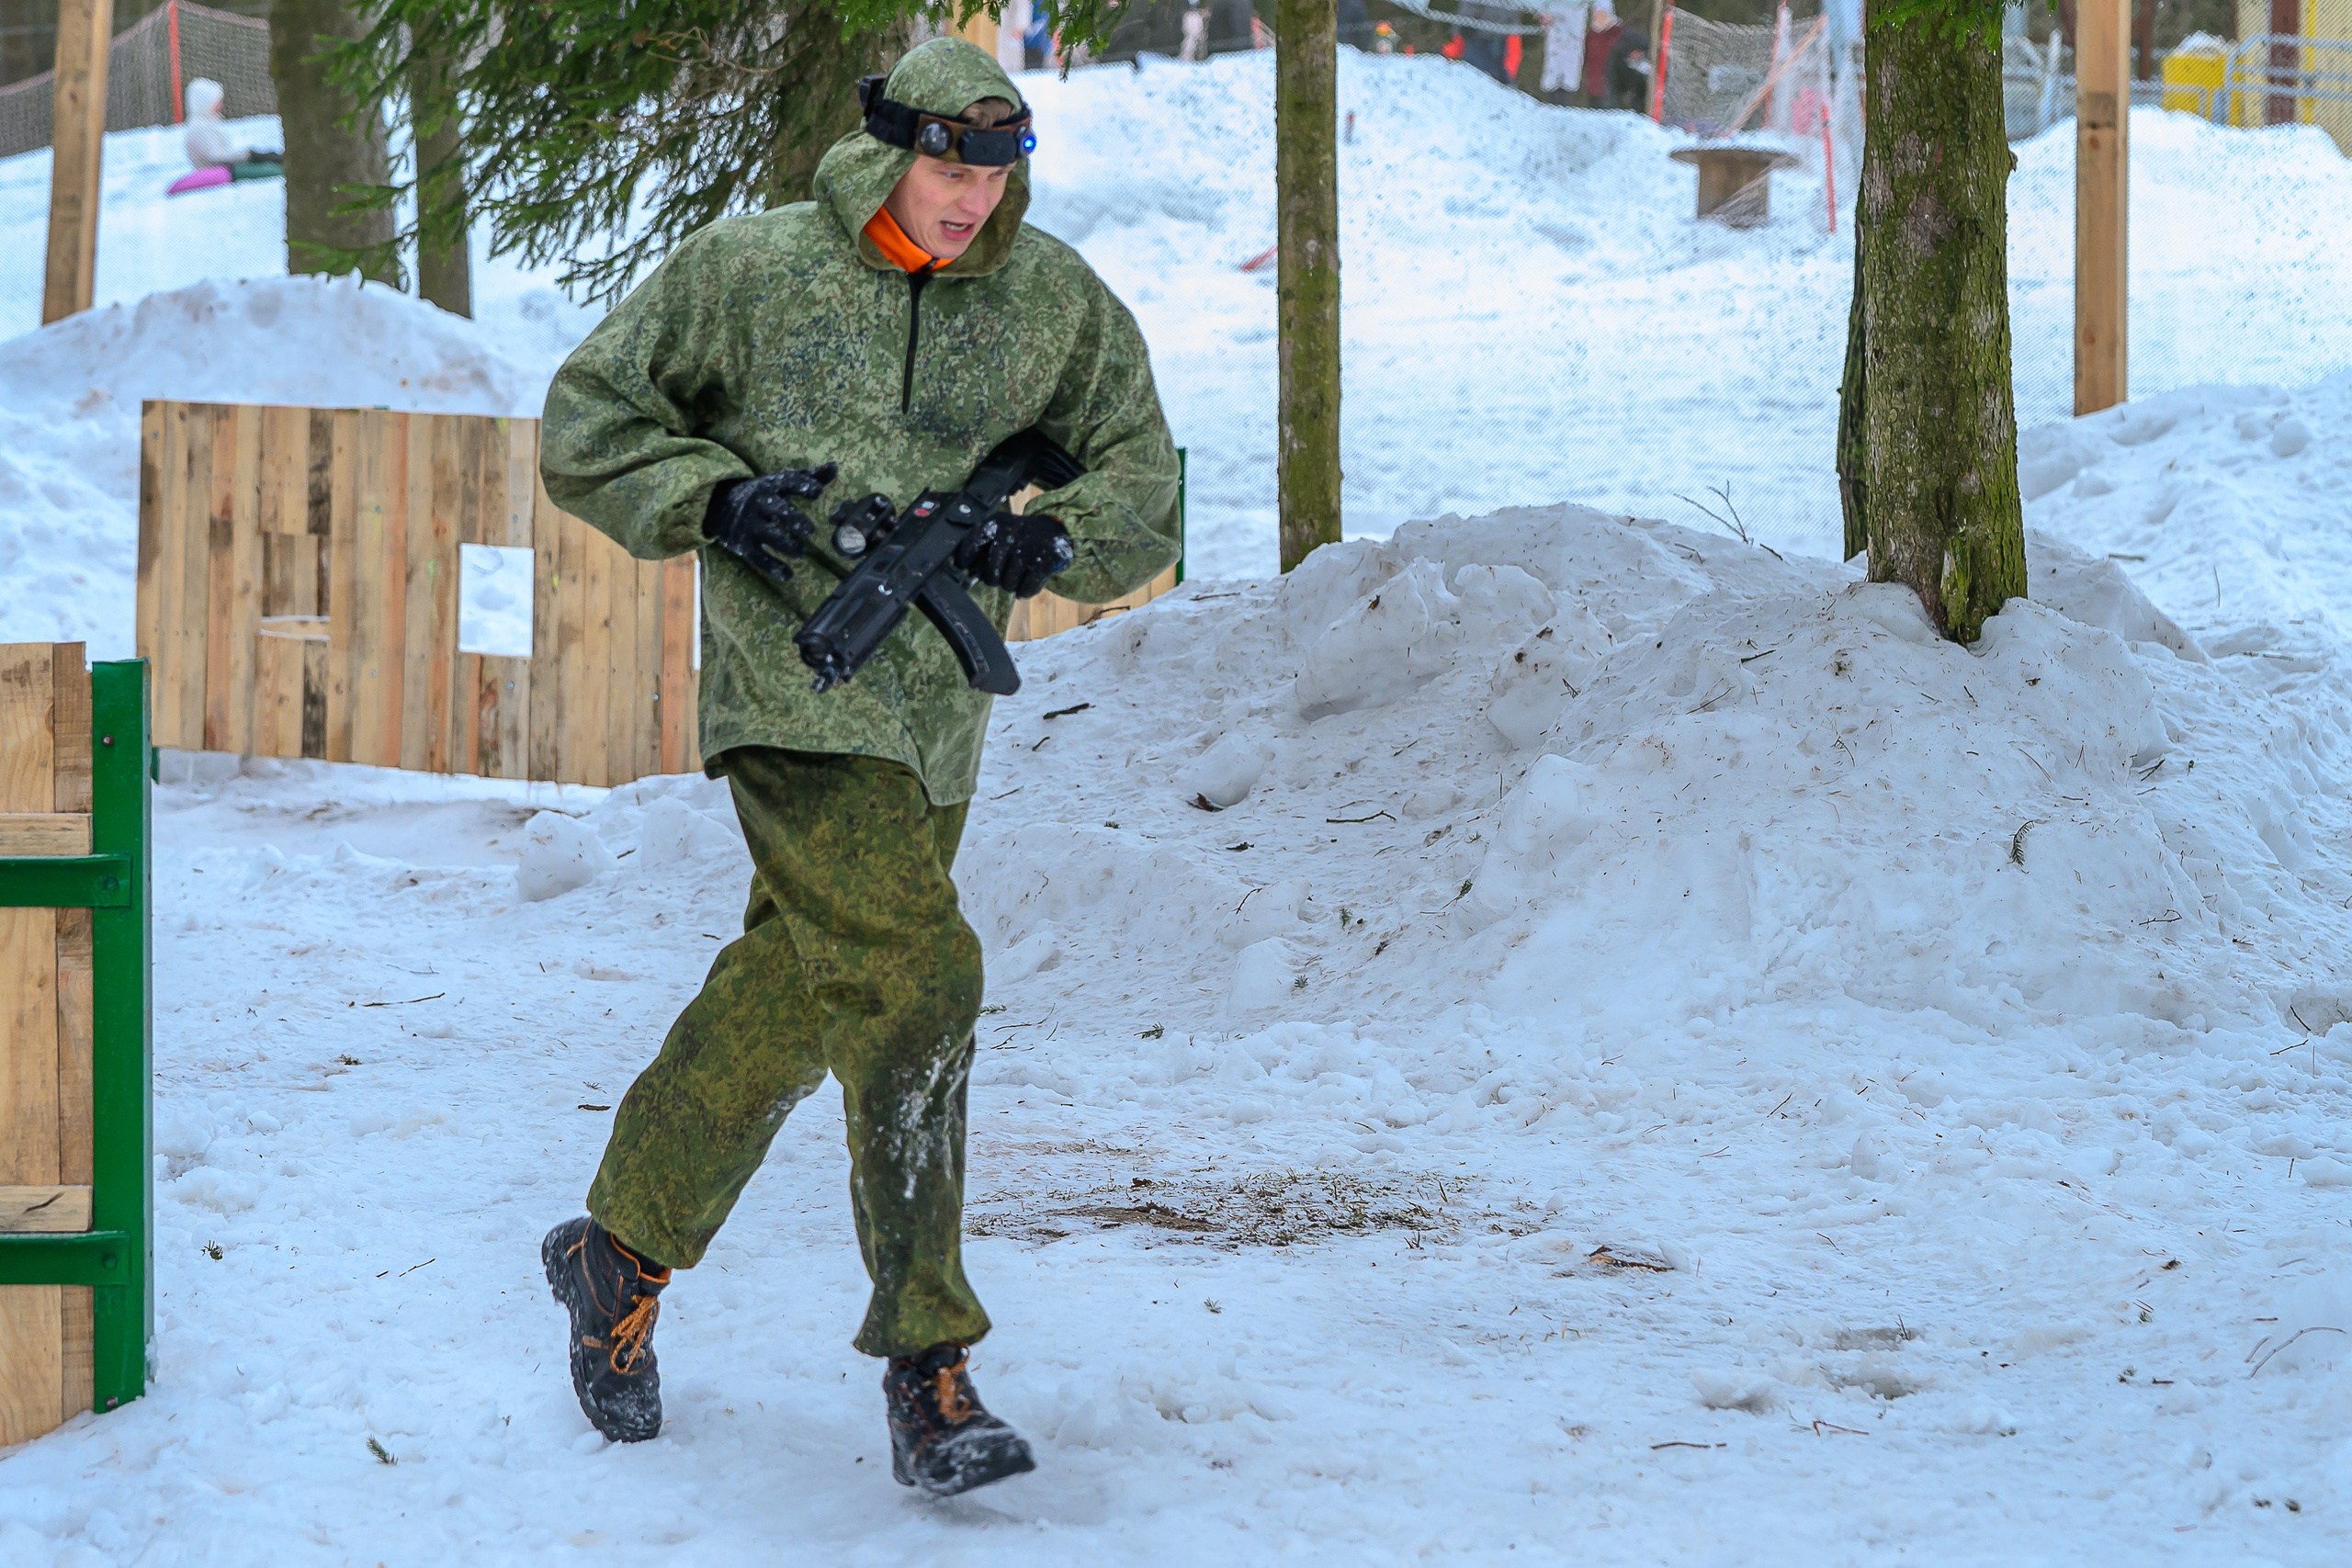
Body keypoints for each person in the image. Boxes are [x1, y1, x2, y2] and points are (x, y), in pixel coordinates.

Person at [535, 38, 1180, 1498]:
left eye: (996, 174)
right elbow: (588, 421)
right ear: (891, 150)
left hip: (938, 718)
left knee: (806, 984)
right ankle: (928, 1364)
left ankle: (617, 1248)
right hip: (792, 689)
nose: (971, 199)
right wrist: (715, 497)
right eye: (948, 168)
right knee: (918, 978)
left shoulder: (1052, 302)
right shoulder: (752, 271)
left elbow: (1142, 474)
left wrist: (1049, 537)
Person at [182, 79, 281, 179]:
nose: (220, 106)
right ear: (204, 103)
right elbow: (217, 156)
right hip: (221, 173)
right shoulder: (200, 128)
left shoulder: (205, 124)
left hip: (223, 171)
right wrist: (249, 155)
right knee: (273, 170)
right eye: (215, 102)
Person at [1539, 3, 1589, 105]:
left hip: (1570, 45)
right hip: (1555, 46)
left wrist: (1555, 17)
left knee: (1564, 87)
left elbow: (1575, 23)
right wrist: (1544, 16)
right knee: (1552, 86)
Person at [1581, 2, 1622, 107]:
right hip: (1592, 85)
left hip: (1611, 85)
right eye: (1596, 14)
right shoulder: (1591, 35)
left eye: (1601, 14)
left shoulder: (1616, 33)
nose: (1598, 17)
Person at [1607, 25, 1652, 111]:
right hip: (1621, 90)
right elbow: (1614, 86)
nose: (1637, 55)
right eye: (1634, 51)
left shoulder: (1647, 61)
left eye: (1639, 51)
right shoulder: (1618, 61)